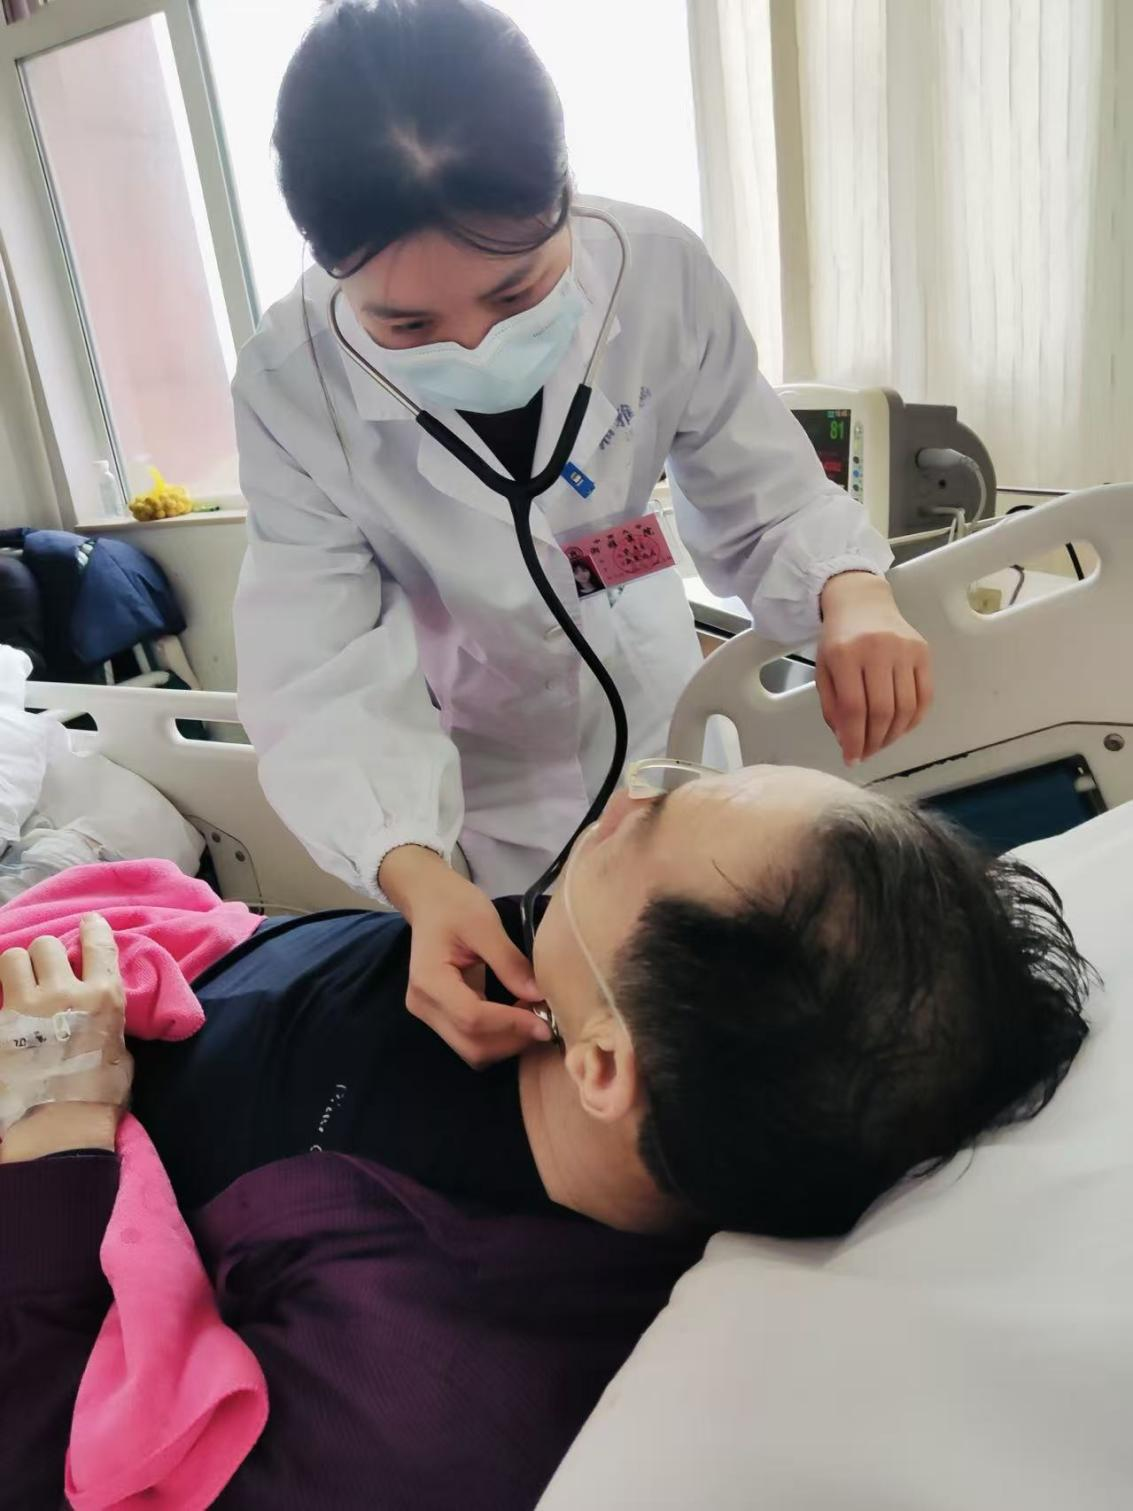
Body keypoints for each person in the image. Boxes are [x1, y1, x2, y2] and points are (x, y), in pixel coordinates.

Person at [1, 765, 1090, 1508]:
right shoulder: (561, 975)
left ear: (604, 1066)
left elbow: (45, 1451)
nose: (618, 802)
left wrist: (61, 1123)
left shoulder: (432, 1385)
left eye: (648, 826)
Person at [233, 0, 934, 1063]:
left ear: (562, 193)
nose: (476, 346)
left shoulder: (656, 272)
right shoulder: (293, 382)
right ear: (330, 269)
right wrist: (414, 873)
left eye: (516, 291)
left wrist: (854, 590)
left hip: (664, 717)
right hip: (480, 779)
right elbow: (314, 668)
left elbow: (765, 490)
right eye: (407, 325)